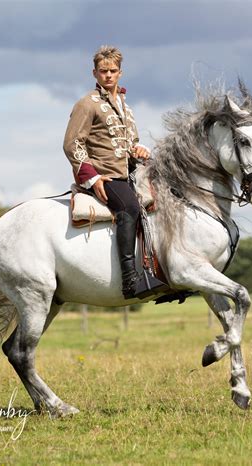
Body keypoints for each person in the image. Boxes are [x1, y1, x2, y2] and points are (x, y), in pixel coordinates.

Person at [63, 45, 164, 299]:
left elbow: (130, 143)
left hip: (128, 172)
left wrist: (138, 149)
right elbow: (72, 143)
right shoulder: (87, 104)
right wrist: (92, 177)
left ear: (120, 73)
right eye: (103, 71)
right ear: (94, 73)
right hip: (105, 175)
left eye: (113, 71)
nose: (108, 75)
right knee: (129, 206)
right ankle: (130, 279)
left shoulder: (126, 106)